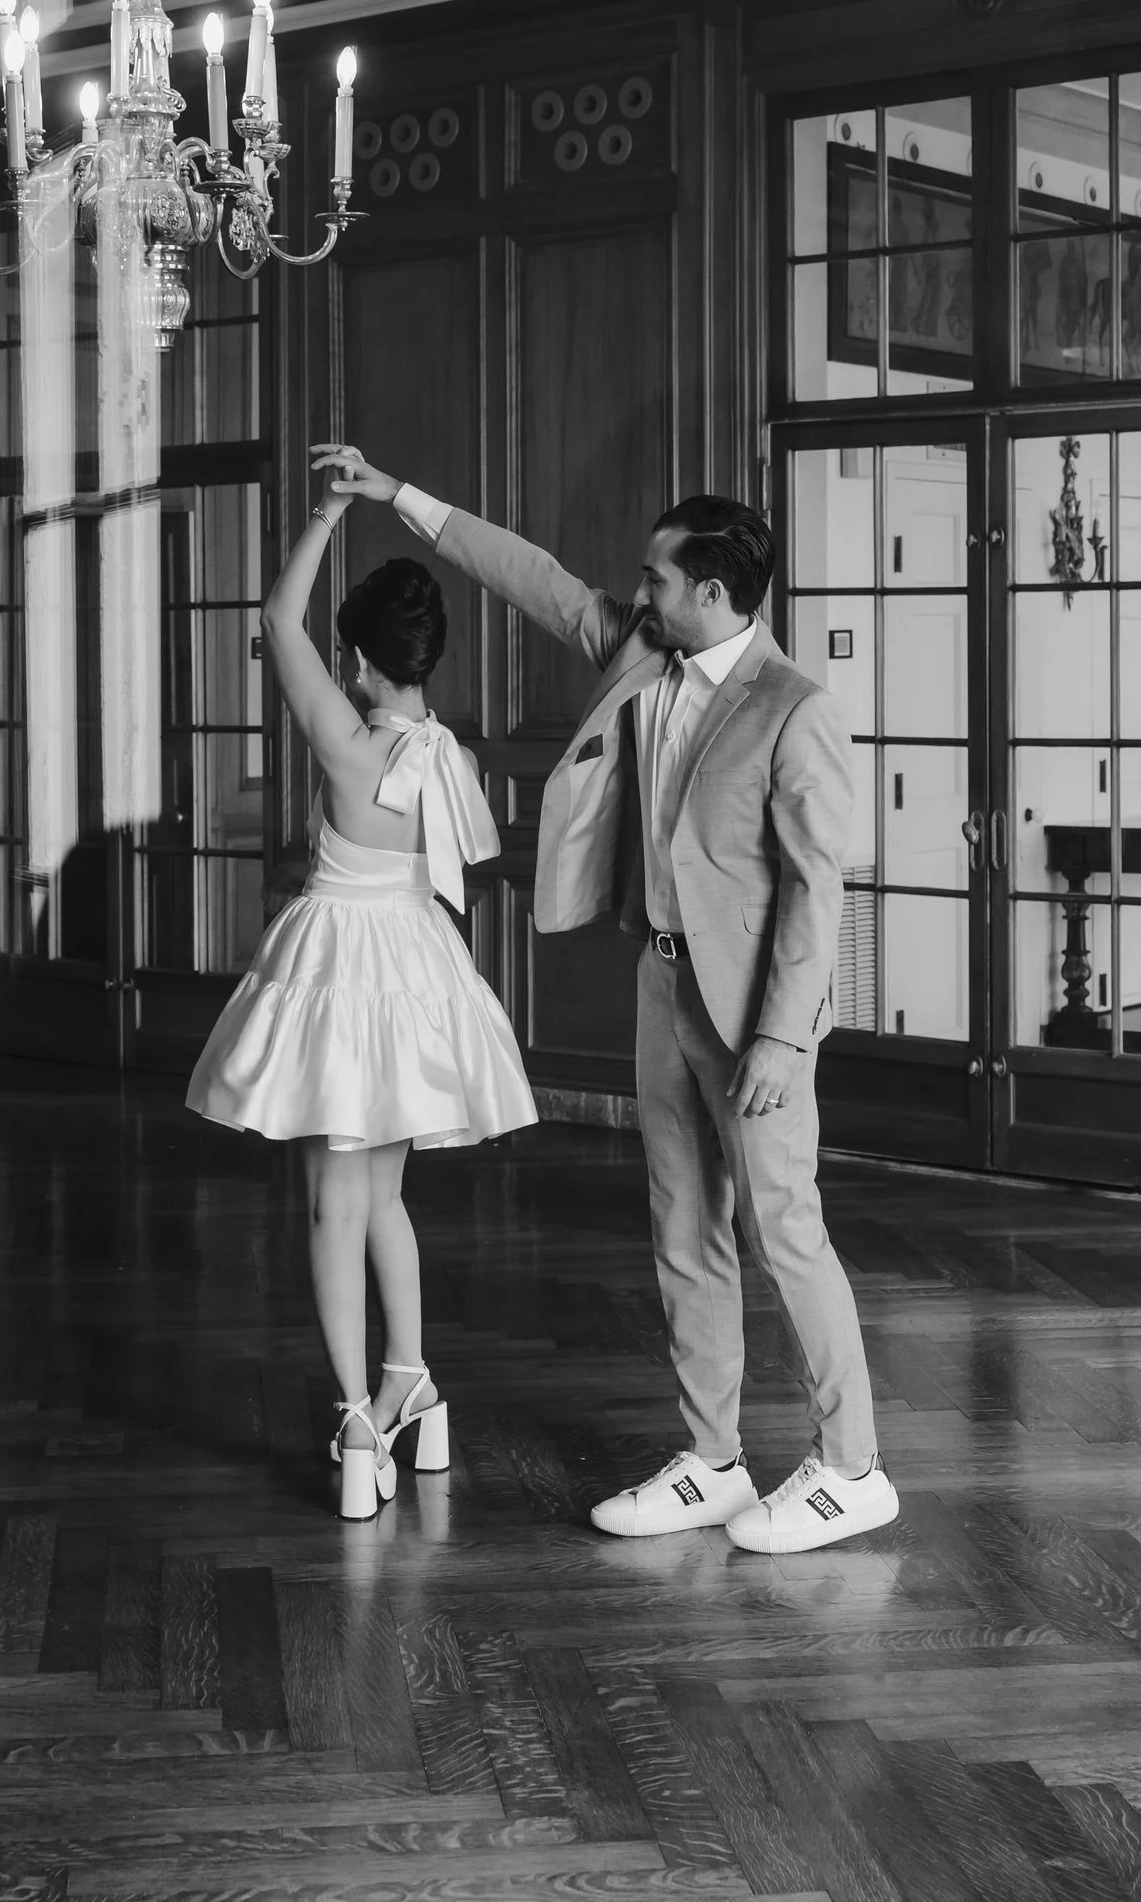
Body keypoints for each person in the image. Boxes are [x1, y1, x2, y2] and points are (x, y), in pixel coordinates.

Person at [314, 449, 894, 1557]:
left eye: (660, 580)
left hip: (757, 1018)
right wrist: (397, 493)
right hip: (661, 982)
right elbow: (527, 573)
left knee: (786, 1235)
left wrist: (782, 1035)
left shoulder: (793, 709)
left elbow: (820, 891)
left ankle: (852, 1465)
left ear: (713, 593)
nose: (642, 593)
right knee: (683, 1232)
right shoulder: (643, 651)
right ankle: (713, 1461)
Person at [187, 454, 535, 1519]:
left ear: (360, 659)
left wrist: (325, 512)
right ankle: (412, 1381)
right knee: (383, 1198)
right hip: (416, 966)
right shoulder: (451, 757)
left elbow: (275, 615)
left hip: (340, 968)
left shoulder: (345, 742)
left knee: (331, 1208)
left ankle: (356, 1428)